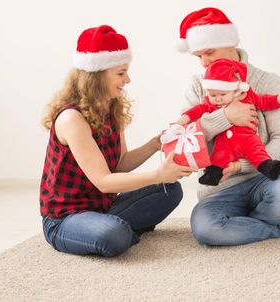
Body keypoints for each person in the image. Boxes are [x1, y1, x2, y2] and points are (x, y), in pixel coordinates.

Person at [175, 7, 280, 246]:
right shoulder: (198, 87)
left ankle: (246, 226)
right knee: (206, 229)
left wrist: (239, 166)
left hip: (265, 181)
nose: (204, 63)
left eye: (209, 52)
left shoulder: (268, 82)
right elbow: (184, 142)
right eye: (198, 56)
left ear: (229, 42)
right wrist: (226, 117)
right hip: (218, 189)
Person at [40, 25, 195, 257]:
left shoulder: (111, 106)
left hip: (103, 207)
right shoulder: (71, 118)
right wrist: (157, 174)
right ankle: (113, 230)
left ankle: (111, 227)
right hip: (65, 218)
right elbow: (103, 181)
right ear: (97, 75)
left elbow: (120, 163)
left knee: (170, 190)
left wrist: (155, 144)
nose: (128, 79)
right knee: (113, 234)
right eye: (121, 73)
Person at [176, 58, 280, 185]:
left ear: (234, 90)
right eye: (213, 95)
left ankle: (268, 167)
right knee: (218, 157)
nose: (217, 99)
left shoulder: (248, 96)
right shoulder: (210, 104)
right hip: (224, 143)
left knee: (257, 152)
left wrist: (277, 100)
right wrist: (182, 120)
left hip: (247, 138)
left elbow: (262, 101)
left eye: (222, 95)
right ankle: (213, 175)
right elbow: (195, 111)